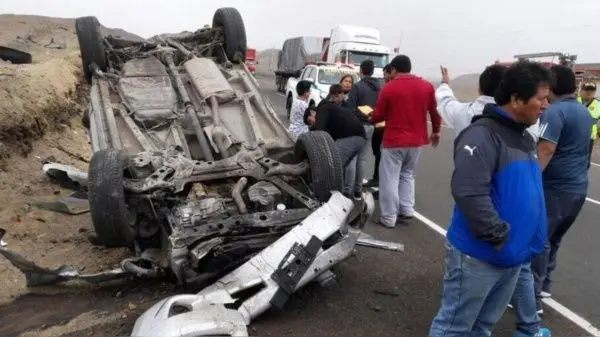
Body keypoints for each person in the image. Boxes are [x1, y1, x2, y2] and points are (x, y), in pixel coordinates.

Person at [428, 60, 551, 337]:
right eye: (541, 99)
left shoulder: (524, 137)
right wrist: (500, 235)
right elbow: (469, 193)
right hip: (481, 254)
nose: (546, 105)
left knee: (483, 326)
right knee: (455, 327)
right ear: (516, 99)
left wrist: (530, 239)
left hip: (512, 255)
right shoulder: (482, 134)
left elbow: (531, 193)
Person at [532, 65, 595, 313]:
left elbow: (546, 149)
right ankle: (545, 285)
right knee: (554, 239)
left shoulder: (555, 113)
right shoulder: (582, 110)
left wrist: (530, 180)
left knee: (540, 241)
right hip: (578, 188)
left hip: (556, 189)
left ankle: (532, 299)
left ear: (552, 86)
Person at [370, 55, 441, 228]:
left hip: (394, 140)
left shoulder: (389, 88)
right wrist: (436, 131)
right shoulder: (426, 86)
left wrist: (372, 117)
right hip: (416, 140)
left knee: (389, 178)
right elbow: (434, 112)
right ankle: (407, 209)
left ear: (393, 69)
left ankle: (388, 217)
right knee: (407, 175)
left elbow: (379, 115)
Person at [313, 84, 366, 197]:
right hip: (359, 136)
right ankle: (344, 192)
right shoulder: (331, 108)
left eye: (309, 119)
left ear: (313, 113)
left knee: (332, 165)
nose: (310, 121)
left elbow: (319, 132)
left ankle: (331, 195)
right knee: (341, 165)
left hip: (351, 137)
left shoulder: (323, 109)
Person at [345, 60, 382, 198]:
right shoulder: (379, 88)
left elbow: (350, 109)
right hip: (372, 126)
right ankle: (358, 190)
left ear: (361, 70)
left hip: (357, 125)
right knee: (363, 159)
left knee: (352, 158)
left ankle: (348, 190)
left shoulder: (358, 87)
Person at [365, 63, 392, 189]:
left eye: (385, 73)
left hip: (383, 125)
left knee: (381, 154)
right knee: (378, 153)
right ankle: (378, 179)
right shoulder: (385, 86)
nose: (384, 76)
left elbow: (383, 108)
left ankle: (380, 181)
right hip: (383, 125)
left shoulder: (389, 88)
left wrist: (373, 116)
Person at [576, 81, 600, 168]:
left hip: (588, 138)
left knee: (585, 162)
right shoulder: (574, 101)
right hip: (572, 136)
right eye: (587, 90)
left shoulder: (598, 104)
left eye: (592, 90)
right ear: (581, 90)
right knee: (571, 159)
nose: (589, 92)